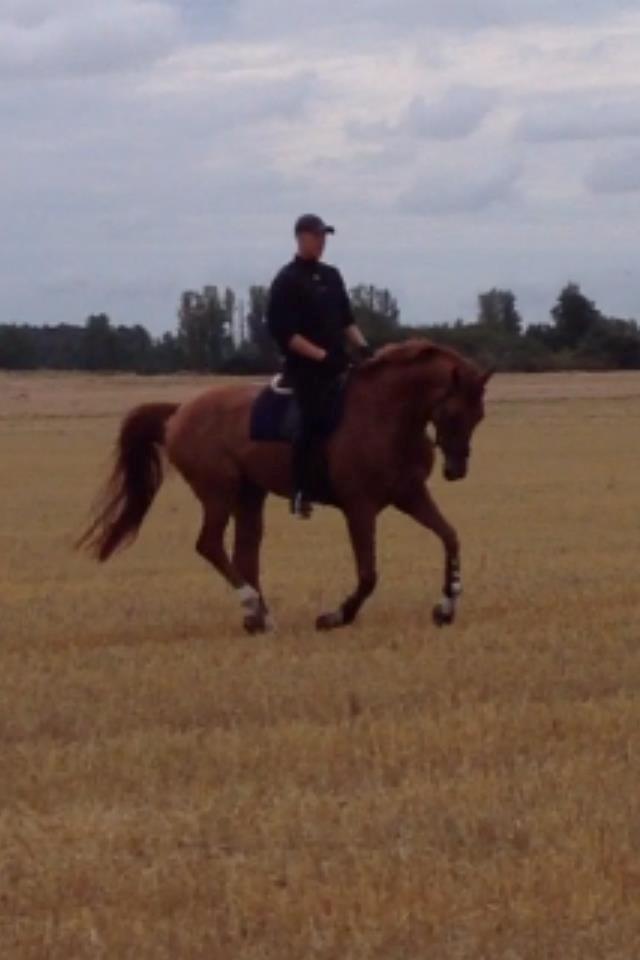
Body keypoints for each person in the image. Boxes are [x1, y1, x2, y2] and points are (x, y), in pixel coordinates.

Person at [267, 214, 373, 518]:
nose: (322, 242)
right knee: (311, 419)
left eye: (324, 237)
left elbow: (346, 321)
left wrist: (364, 349)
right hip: (306, 370)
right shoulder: (287, 280)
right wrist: (323, 357)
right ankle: (301, 490)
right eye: (317, 236)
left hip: (339, 363)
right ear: (300, 238)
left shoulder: (332, 275)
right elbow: (286, 334)